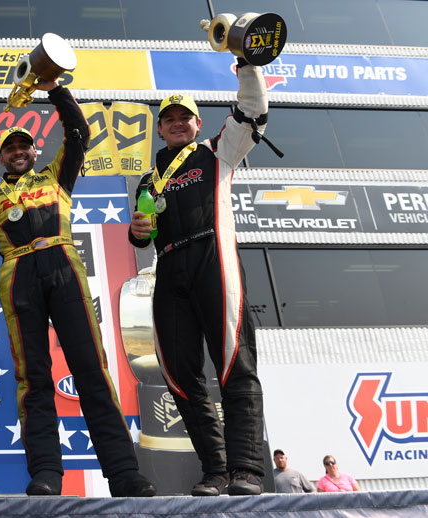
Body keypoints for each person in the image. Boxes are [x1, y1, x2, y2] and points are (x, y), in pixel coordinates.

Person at [0, 79, 156, 498]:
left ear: (34, 153)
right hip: (17, 280)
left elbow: (79, 133)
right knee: (33, 380)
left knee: (92, 369)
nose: (17, 152)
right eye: (10, 148)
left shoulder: (56, 177)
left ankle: (123, 473)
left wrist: (55, 90)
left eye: (23, 147)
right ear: (1, 157)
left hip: (65, 269)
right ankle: (46, 472)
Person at [128, 58, 270, 496]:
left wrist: (248, 65)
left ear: (197, 121)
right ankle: (215, 469)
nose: (176, 124)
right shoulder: (149, 180)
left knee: (233, 362)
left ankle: (246, 469)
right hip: (169, 269)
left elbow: (253, 110)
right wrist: (137, 231)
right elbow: (144, 235)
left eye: (183, 117)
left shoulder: (217, 151)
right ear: (159, 128)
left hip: (214, 257)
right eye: (167, 119)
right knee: (177, 373)